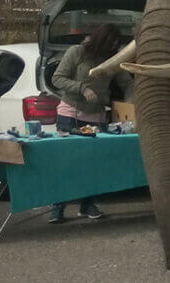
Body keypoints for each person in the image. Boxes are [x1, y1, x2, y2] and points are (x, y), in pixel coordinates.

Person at [48, 24, 134, 224]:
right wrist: (81, 88)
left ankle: (87, 204)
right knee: (66, 163)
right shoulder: (76, 52)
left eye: (115, 46)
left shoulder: (113, 60)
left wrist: (130, 104)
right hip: (70, 113)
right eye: (110, 44)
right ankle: (58, 206)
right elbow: (58, 78)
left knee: (92, 163)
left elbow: (128, 84)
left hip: (96, 116)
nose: (113, 48)